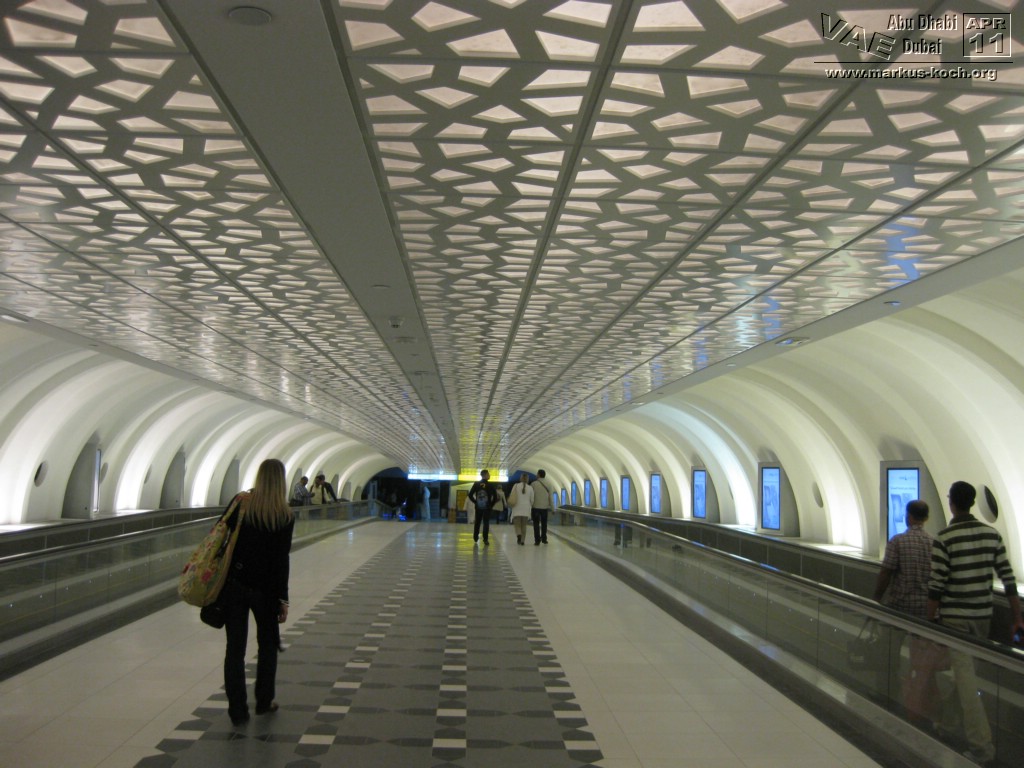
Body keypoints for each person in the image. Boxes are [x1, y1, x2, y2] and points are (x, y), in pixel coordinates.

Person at [927, 481, 1024, 765]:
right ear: (971, 502)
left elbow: (936, 586)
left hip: (955, 620)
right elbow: (1008, 580)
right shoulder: (991, 535)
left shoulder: (945, 538)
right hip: (982, 617)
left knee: (966, 682)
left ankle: (982, 747)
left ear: (951, 503)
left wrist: (928, 622)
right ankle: (947, 724)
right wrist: (1018, 618)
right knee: (964, 676)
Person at [222, 458, 295, 726]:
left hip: (235, 584)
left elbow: (221, 531)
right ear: (281, 481)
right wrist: (282, 599)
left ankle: (238, 710)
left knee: (235, 649)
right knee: (267, 646)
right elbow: (281, 561)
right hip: (266, 591)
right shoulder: (284, 515)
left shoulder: (242, 503)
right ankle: (263, 701)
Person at [873, 500, 937, 724]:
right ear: (926, 518)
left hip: (898, 607)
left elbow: (886, 572)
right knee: (921, 660)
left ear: (909, 517)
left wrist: (876, 599)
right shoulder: (934, 543)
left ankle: (887, 694)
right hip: (924, 611)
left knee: (889, 652)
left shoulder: (898, 541)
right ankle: (920, 703)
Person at [469, 470, 495, 546]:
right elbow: (495, 496)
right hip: (487, 507)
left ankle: (475, 537)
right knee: (486, 523)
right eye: (488, 474)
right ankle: (485, 539)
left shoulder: (476, 484)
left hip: (478, 506)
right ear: (485, 475)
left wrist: (475, 502)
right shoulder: (490, 485)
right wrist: (491, 504)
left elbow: (470, 495)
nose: (489, 475)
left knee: (477, 522)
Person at [508, 475, 534, 545]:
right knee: (524, 525)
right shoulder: (530, 488)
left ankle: (519, 535)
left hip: (517, 508)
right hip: (526, 509)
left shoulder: (516, 486)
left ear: (520, 478)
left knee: (517, 525)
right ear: (527, 479)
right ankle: (522, 541)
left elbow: (512, 495)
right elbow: (532, 500)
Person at [530, 469, 554, 545]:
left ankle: (537, 540)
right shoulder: (549, 484)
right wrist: (553, 508)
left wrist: (530, 505)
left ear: (539, 474)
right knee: (544, 524)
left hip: (535, 507)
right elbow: (551, 497)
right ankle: (544, 539)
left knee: (536, 524)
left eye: (537, 473)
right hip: (544, 507)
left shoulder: (533, 484)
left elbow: (531, 496)